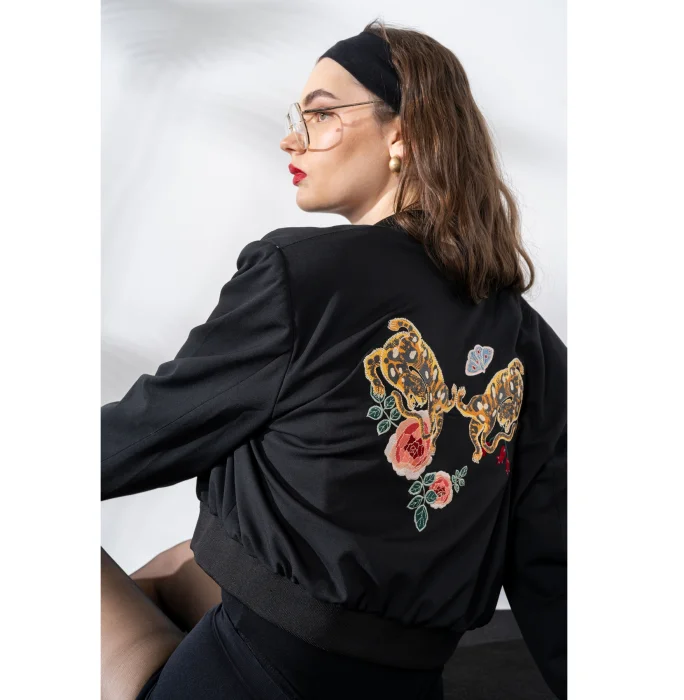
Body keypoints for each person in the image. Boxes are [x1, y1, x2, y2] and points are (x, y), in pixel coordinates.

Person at [101, 18, 567, 700]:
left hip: (256, 675)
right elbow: (550, 567)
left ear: (403, 134)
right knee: (184, 564)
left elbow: (147, 434)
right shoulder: (532, 344)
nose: (292, 138)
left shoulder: (301, 277)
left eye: (320, 115)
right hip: (404, 685)